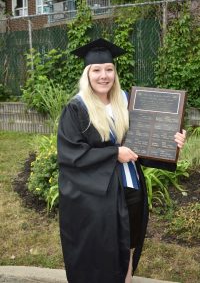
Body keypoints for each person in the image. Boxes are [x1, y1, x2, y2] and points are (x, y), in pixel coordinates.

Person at [57, 38, 186, 283]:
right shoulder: (77, 108)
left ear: (114, 72)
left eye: (109, 69)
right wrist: (114, 154)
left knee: (129, 244)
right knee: (101, 250)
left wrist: (173, 142)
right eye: (96, 70)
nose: (103, 75)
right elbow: (71, 155)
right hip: (97, 196)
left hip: (130, 187)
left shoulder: (125, 100)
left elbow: (146, 139)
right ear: (87, 74)